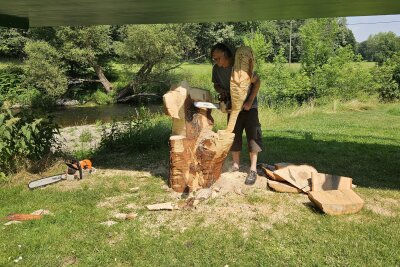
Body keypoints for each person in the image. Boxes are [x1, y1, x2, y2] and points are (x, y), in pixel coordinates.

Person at [211, 43, 263, 185]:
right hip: (233, 108)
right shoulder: (216, 69)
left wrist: (250, 102)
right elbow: (215, 83)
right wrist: (221, 90)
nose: (216, 61)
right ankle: (235, 165)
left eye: (218, 58)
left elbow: (257, 82)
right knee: (234, 134)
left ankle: (253, 169)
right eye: (214, 59)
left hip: (248, 107)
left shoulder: (240, 65)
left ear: (226, 55)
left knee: (253, 136)